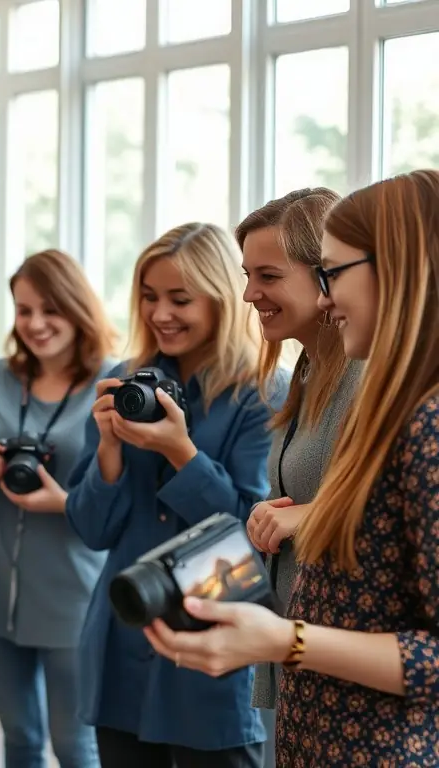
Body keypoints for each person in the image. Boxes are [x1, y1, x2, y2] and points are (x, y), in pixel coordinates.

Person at [146, 170, 439, 766]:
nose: (249, 295)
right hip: (316, 702)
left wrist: (289, 635)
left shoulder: (407, 408)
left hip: (369, 723)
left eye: (332, 274)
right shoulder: (311, 374)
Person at [64, 222, 285, 768]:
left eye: (179, 299)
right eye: (149, 297)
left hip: (214, 635)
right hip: (125, 631)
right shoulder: (125, 385)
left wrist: (182, 453)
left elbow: (251, 533)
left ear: (219, 299)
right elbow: (92, 531)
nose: (160, 313)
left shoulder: (262, 394)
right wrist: (109, 453)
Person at [0, 249, 118, 768]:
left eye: (49, 309)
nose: (35, 324)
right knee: (20, 740)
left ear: (76, 307)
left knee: (76, 746)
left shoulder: (113, 382)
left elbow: (118, 501)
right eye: (23, 311)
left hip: (74, 592)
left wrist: (63, 501)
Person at [236, 187, 362, 765]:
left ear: (326, 274)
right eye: (247, 275)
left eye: (267, 276)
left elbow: (390, 512)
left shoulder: (367, 377)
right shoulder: (307, 370)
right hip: (301, 644)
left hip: (347, 657)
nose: (249, 294)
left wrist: (307, 515)